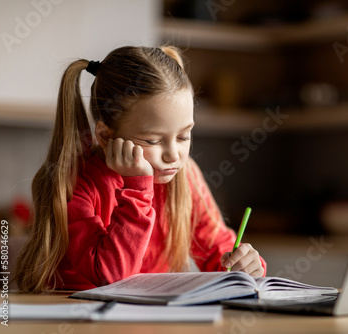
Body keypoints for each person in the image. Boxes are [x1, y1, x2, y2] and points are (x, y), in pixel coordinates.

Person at [15, 46, 266, 293]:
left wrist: (244, 265)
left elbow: (219, 256)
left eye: (183, 136)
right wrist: (137, 188)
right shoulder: (73, 183)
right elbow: (111, 277)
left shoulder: (186, 176)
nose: (173, 155)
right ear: (105, 135)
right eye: (153, 141)